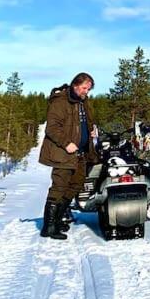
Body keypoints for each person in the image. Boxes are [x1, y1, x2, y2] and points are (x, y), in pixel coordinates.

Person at [38, 72, 98, 240]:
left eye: (89, 89)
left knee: (75, 185)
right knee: (59, 187)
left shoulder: (83, 102)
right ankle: (48, 227)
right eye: (85, 88)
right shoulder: (60, 101)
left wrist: (91, 130)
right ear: (75, 85)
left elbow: (85, 123)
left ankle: (57, 220)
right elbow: (52, 128)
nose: (87, 91)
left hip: (81, 153)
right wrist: (66, 143)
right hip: (64, 153)